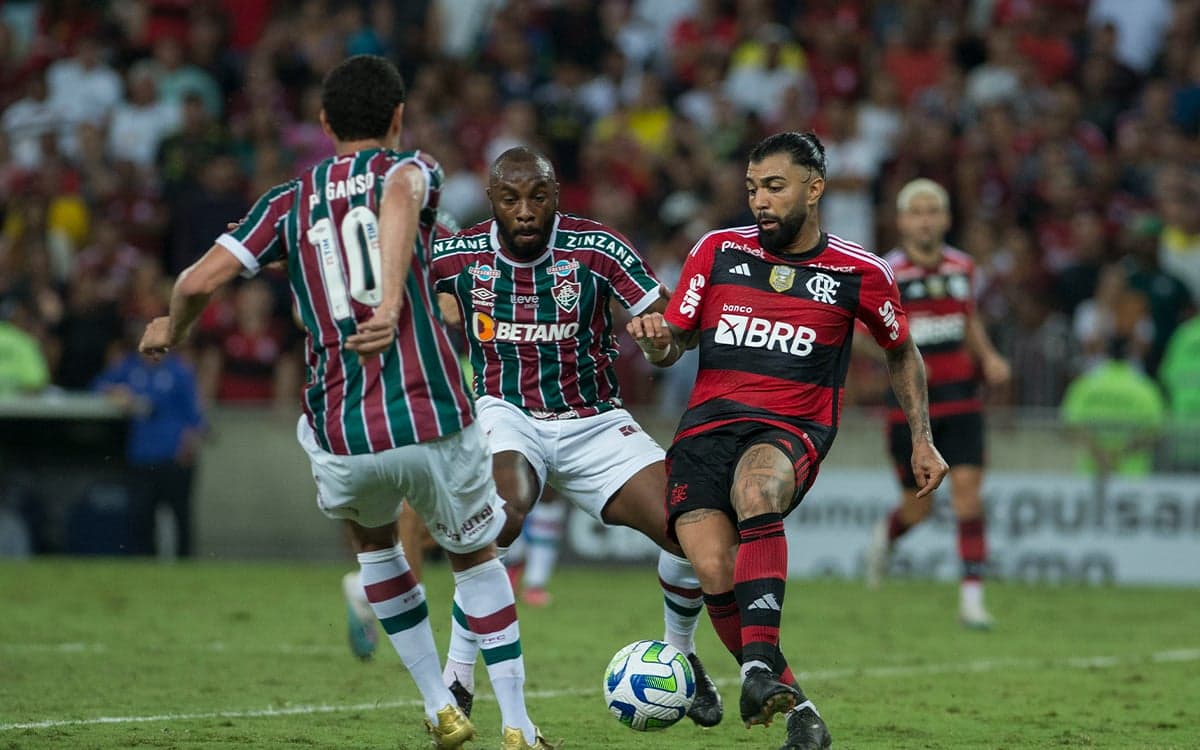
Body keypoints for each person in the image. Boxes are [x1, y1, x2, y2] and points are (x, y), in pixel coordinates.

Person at [138, 55, 552, 750]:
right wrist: (390, 300)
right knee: (477, 556)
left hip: (339, 427)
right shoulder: (410, 168)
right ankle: (517, 724)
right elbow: (398, 197)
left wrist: (171, 328)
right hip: (429, 412)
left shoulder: (286, 201)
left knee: (373, 546)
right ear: (397, 118)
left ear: (324, 122)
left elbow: (198, 279)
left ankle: (438, 707)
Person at [627, 131, 948, 750]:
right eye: (752, 189)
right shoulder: (717, 251)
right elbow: (677, 342)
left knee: (757, 490)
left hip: (790, 426)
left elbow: (901, 353)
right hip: (705, 429)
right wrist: (656, 340)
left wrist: (922, 440)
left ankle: (751, 669)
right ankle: (798, 710)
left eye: (774, 186)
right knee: (715, 569)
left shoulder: (860, 273)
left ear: (815, 187)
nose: (761, 202)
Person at [430, 146, 722, 727]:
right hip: (506, 410)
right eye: (511, 199)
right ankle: (457, 678)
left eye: (538, 197)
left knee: (692, 529)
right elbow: (376, 271)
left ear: (556, 196)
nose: (526, 211)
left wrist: (657, 339)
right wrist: (282, 251)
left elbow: (672, 334)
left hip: (593, 421)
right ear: (492, 202)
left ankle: (681, 657)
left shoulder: (596, 247)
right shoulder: (456, 255)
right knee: (501, 516)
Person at [861, 178, 1011, 629]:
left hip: (962, 399)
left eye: (933, 211)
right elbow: (859, 334)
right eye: (917, 212)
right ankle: (885, 539)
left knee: (968, 498)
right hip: (910, 408)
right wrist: (902, 352)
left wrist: (987, 357)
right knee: (918, 509)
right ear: (903, 221)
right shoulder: (885, 272)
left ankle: (971, 600)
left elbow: (969, 318)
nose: (925, 220)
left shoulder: (963, 267)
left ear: (945, 219)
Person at [92, 326, 206, 558]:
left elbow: (195, 416)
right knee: (141, 516)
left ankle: (184, 563)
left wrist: (189, 444)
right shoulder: (130, 368)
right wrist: (117, 393)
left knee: (180, 515)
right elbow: (98, 385)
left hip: (174, 455)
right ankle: (145, 563)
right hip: (142, 455)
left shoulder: (179, 372)